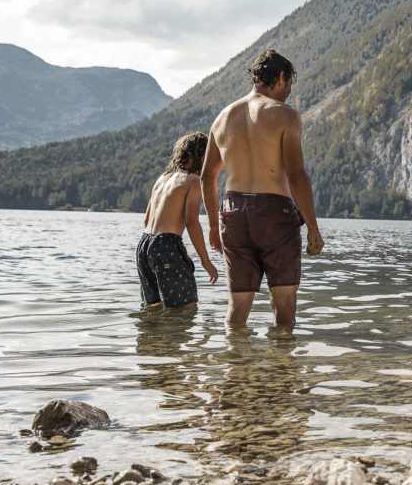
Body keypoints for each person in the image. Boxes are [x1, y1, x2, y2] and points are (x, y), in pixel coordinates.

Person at [201, 49, 324, 330]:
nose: (289, 92)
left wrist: (213, 227)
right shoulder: (285, 115)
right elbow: (296, 175)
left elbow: (207, 177)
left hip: (232, 213)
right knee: (284, 308)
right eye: (289, 84)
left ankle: (234, 358)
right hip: (273, 213)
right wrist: (313, 228)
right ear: (280, 78)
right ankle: (281, 358)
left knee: (237, 308)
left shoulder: (222, 117)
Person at [136, 131, 219, 310]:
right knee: (184, 308)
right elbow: (191, 222)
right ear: (202, 156)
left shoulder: (162, 178)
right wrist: (206, 261)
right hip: (167, 245)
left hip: (144, 246)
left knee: (153, 308)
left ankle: (152, 330)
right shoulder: (193, 181)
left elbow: (147, 219)